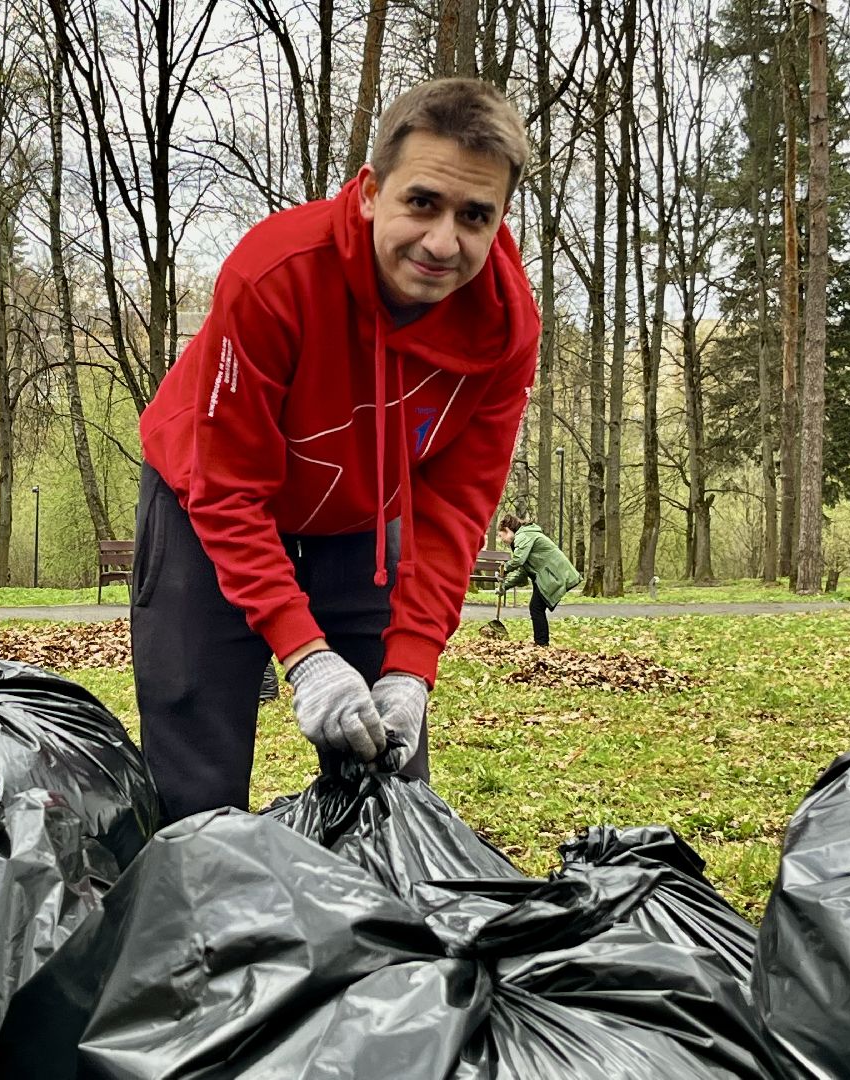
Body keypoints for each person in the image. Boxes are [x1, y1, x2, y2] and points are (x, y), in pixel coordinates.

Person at [133, 78, 540, 825]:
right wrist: (305, 656)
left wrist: (413, 667)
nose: (443, 242)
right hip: (208, 500)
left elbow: (455, 509)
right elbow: (229, 488)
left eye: (474, 216)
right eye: (422, 202)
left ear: (499, 220)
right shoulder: (275, 275)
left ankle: (379, 931)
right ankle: (195, 928)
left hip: (362, 518)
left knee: (387, 775)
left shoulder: (505, 328)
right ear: (368, 192)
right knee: (196, 771)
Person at [497, 514, 581, 646]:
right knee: (537, 608)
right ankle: (541, 642)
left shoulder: (523, 536)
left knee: (536, 608)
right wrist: (504, 586)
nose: (502, 540)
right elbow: (522, 573)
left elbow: (518, 560)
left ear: (507, 530)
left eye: (502, 536)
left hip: (553, 573)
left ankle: (541, 644)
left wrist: (504, 568)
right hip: (545, 575)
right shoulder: (523, 538)